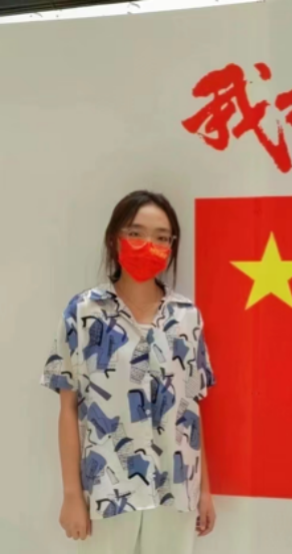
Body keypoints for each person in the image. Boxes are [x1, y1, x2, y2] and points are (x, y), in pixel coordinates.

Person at [41, 190, 216, 554]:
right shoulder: (84, 313)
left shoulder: (187, 316)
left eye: (161, 237)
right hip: (108, 492)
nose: (148, 244)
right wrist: (71, 495)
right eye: (136, 233)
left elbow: (192, 412)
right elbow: (68, 409)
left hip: (175, 492)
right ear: (114, 238)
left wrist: (205, 492)